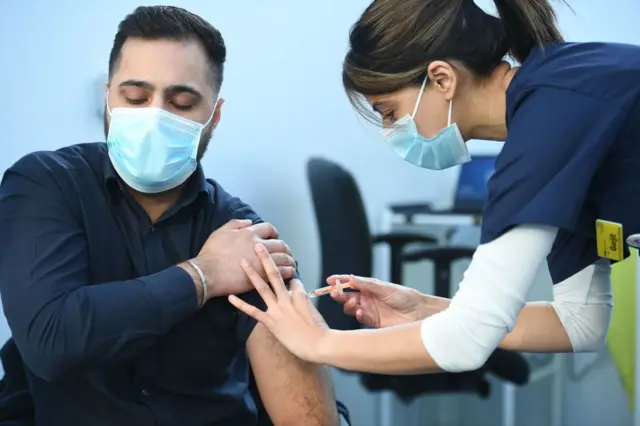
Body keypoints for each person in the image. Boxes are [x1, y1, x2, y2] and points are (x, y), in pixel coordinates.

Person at [227, 0, 640, 375]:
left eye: (389, 113)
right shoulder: (553, 122)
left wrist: (319, 342)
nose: (392, 132)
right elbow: (579, 323)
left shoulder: (550, 119)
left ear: (441, 79)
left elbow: (465, 344)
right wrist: (425, 309)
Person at [0, 6, 345, 426]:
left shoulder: (240, 233)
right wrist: (203, 276)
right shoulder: (45, 187)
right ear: (108, 99)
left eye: (181, 103)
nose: (155, 116)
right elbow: (51, 340)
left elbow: (308, 416)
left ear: (213, 118)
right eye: (136, 98)